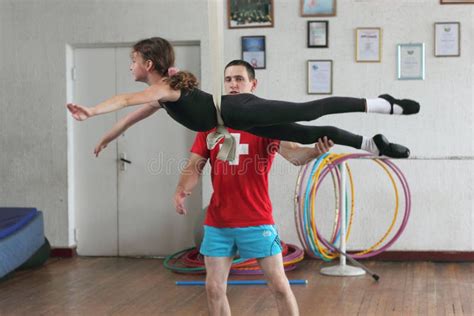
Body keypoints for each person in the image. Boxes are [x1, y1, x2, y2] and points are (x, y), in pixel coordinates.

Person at [67, 37, 420, 158]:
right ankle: (372, 144)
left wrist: (93, 109)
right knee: (306, 132)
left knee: (308, 111)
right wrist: (104, 138)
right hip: (234, 120)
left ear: (147, 64)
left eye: (132, 62)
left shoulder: (163, 88)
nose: (130, 67)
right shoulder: (162, 95)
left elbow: (125, 101)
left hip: (237, 108)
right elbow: (129, 117)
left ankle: (383, 103)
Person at [174, 60, 334, 316]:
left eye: (239, 79)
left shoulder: (267, 124)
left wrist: (316, 150)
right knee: (214, 288)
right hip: (218, 221)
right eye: (228, 80)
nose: (233, 84)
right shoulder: (210, 124)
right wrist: (182, 189)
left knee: (280, 286)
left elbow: (295, 156)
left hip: (256, 219)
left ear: (253, 84)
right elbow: (194, 165)